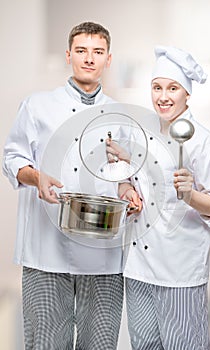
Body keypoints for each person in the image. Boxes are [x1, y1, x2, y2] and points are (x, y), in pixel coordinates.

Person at [2, 22, 124, 350]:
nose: (89, 59)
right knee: (44, 344)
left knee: (99, 343)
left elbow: (126, 172)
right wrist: (35, 176)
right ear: (69, 55)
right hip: (46, 248)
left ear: (108, 59)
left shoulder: (118, 114)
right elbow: (11, 159)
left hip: (102, 252)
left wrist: (129, 190)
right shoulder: (37, 105)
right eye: (82, 51)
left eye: (97, 52)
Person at [117, 46, 210, 349]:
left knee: (185, 345)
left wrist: (191, 196)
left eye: (172, 88)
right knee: (143, 345)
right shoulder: (142, 134)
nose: (163, 96)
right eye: (157, 87)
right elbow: (130, 179)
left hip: (180, 271)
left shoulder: (203, 142)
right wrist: (128, 191)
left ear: (187, 94)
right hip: (139, 267)